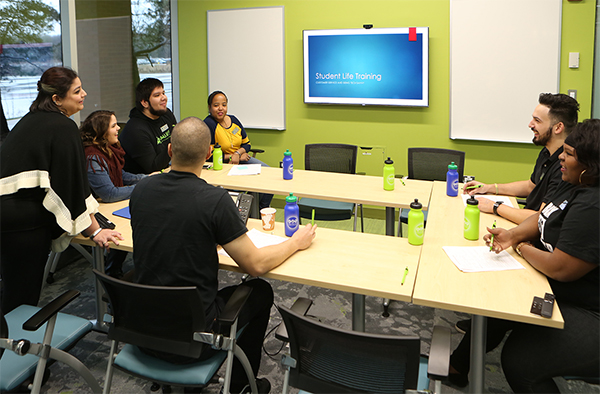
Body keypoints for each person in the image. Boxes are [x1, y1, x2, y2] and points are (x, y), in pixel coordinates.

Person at [130, 116, 317, 394]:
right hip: (195, 338)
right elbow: (255, 264)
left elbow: (165, 232)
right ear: (208, 153)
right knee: (260, 290)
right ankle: (243, 385)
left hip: (141, 330)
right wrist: (295, 243)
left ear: (169, 150)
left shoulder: (141, 189)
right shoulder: (214, 200)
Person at [449, 119, 599, 393]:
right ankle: (457, 367)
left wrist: (522, 248)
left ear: (589, 163)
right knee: (498, 303)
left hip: (591, 309)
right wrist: (514, 235)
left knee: (520, 362)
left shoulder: (593, 205)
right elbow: (546, 214)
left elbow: (561, 267)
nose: (561, 158)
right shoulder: (574, 179)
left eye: (568, 154)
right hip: (564, 288)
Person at [0, 67, 123, 314]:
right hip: (24, 224)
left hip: (7, 218)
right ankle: (15, 348)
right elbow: (70, 185)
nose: (84, 94)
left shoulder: (30, 120)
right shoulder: (62, 126)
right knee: (22, 298)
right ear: (56, 99)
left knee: (11, 290)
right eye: (77, 91)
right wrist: (94, 230)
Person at [463, 93, 579, 225]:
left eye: (537, 120)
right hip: (524, 222)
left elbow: (541, 219)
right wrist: (489, 188)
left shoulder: (564, 167)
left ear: (558, 127)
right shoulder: (547, 152)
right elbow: (531, 186)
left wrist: (494, 206)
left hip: (534, 233)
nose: (530, 125)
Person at [81, 110, 146, 278]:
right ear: (101, 132)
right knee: (123, 230)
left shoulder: (106, 149)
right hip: (96, 212)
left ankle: (115, 268)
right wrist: (144, 187)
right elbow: (109, 193)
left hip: (107, 206)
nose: (118, 128)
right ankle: (112, 272)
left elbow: (120, 174)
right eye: (113, 126)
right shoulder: (92, 157)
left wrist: (145, 179)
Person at [204, 90, 273, 209]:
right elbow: (209, 155)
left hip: (241, 159)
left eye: (224, 105)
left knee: (268, 173)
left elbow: (247, 144)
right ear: (210, 108)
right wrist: (232, 156)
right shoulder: (208, 124)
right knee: (236, 186)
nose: (220, 108)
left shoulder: (234, 120)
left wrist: (237, 153)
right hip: (223, 164)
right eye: (216, 105)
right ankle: (250, 208)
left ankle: (261, 208)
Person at [119, 78, 176, 174]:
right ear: (144, 103)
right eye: (157, 95)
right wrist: (176, 141)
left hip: (166, 171)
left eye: (163, 93)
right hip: (142, 182)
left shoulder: (166, 114)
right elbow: (153, 167)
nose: (164, 98)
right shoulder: (135, 130)